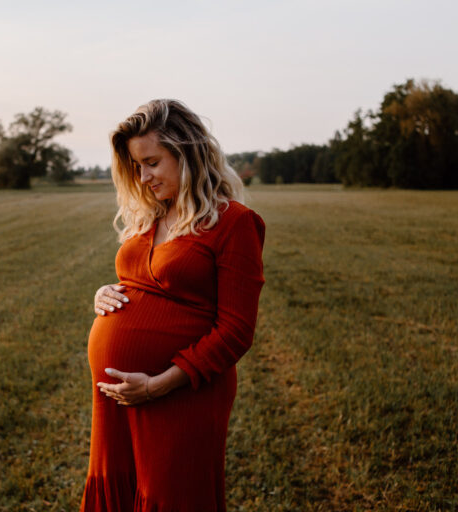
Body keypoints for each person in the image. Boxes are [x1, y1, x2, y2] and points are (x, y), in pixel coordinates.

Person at [80, 99, 265, 512]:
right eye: (136, 167)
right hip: (117, 400)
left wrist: (157, 385)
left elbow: (236, 330)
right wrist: (105, 295)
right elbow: (144, 283)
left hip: (182, 393)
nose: (143, 177)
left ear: (187, 154)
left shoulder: (233, 222)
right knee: (118, 489)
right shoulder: (151, 217)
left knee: (171, 496)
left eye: (152, 162)